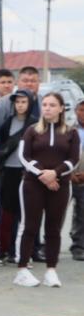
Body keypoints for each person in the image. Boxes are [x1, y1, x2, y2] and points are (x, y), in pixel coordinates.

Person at [13, 92, 80, 288]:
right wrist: (44, 174)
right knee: (29, 226)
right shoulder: (32, 130)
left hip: (60, 185)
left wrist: (55, 174)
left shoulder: (71, 133)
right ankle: (22, 269)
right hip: (33, 184)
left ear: (61, 108)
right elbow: (24, 157)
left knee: (54, 228)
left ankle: (51, 270)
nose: (48, 108)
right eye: (45, 104)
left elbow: (74, 159)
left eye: (52, 105)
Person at [0, 90, 38, 265]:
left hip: (27, 172)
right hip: (9, 172)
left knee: (26, 214)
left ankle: (25, 251)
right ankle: (4, 250)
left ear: (30, 104)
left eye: (24, 101)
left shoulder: (34, 125)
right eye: (17, 102)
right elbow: (1, 146)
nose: (20, 105)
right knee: (7, 213)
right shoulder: (7, 123)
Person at [71, 102, 84, 261]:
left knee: (82, 212)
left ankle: (79, 246)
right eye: (81, 110)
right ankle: (48, 246)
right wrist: (70, 174)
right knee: (56, 215)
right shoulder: (69, 130)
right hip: (68, 176)